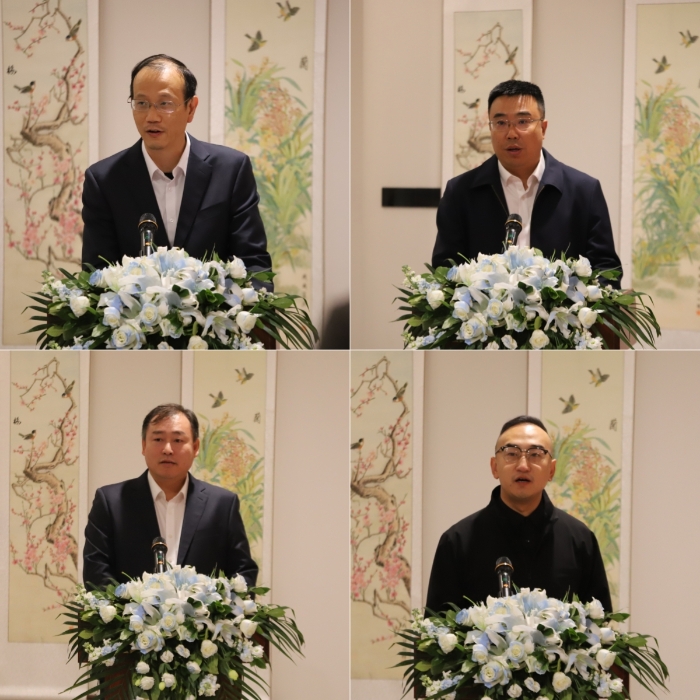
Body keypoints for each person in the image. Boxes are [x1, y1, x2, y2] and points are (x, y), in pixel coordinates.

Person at [81, 54, 272, 278]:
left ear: (191, 108)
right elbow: (96, 275)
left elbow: (253, 264)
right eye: (141, 103)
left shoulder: (231, 170)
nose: (152, 116)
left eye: (165, 103)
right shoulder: (104, 181)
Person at [432, 80, 622, 286]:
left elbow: (606, 270)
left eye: (523, 121)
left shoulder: (583, 191)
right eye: (500, 123)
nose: (511, 133)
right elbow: (445, 272)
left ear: (543, 128)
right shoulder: (460, 193)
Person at [425, 415, 612, 613]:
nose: (523, 465)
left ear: (551, 470)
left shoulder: (580, 540)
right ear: (494, 467)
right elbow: (437, 626)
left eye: (535, 454)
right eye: (511, 453)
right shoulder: (457, 541)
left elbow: (600, 624)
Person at [83, 403, 258, 589]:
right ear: (143, 445)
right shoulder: (111, 502)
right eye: (158, 439)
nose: (167, 449)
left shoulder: (222, 505)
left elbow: (242, 572)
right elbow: (96, 571)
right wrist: (130, 606)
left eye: (178, 440)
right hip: (129, 609)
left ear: (195, 447)